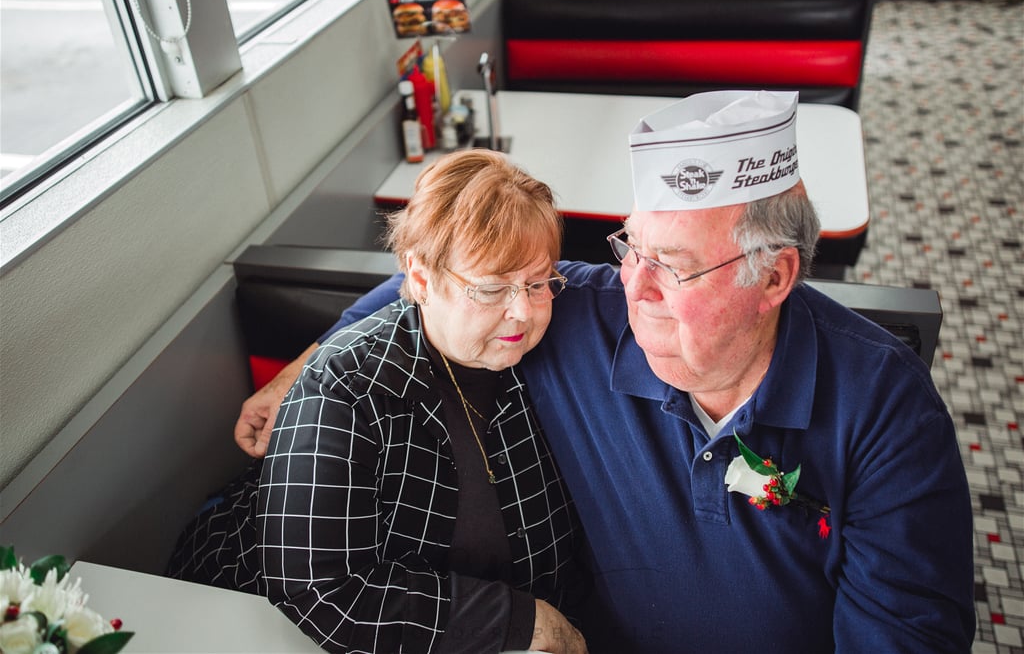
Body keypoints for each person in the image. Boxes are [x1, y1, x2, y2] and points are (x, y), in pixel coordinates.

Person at [236, 91, 975, 652]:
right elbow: (437, 282)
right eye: (632, 249)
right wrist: (298, 367)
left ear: (775, 276)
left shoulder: (888, 413)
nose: (636, 288)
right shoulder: (573, 314)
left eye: (674, 267)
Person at [172, 149, 587, 654]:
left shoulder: (553, 358)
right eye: (492, 288)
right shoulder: (345, 387)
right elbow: (318, 590)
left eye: (537, 282)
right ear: (419, 278)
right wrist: (523, 622)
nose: (522, 311)